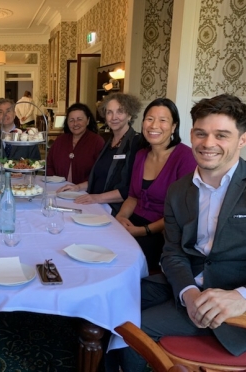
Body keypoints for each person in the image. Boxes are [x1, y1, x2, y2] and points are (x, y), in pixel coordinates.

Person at [112, 94, 246, 371]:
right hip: (188, 284)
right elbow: (173, 251)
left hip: (231, 306)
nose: (208, 143)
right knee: (113, 299)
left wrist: (241, 297)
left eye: (221, 135)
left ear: (241, 140)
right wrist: (187, 293)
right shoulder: (179, 190)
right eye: (201, 133)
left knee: (132, 328)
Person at [115, 98, 196, 271]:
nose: (154, 125)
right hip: (134, 222)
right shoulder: (142, 154)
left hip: (162, 232)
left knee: (120, 262)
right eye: (150, 119)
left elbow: (180, 213)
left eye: (163, 120)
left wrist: (142, 231)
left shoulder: (186, 157)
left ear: (174, 126)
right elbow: (133, 196)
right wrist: (120, 218)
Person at [58, 93, 142, 215]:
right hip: (97, 204)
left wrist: (96, 198)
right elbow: (99, 178)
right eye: (109, 112)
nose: (114, 117)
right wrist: (77, 187)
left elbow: (131, 189)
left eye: (120, 111)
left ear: (129, 115)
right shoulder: (109, 143)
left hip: (118, 211)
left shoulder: (137, 143)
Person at [47, 103, 104, 184]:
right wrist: (55, 183)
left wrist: (82, 186)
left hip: (86, 192)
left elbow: (100, 170)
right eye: (71, 120)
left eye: (79, 119)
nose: (75, 123)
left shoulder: (97, 141)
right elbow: (49, 164)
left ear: (88, 121)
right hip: (58, 189)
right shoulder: (60, 140)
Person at [0, 98, 41, 171]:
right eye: (0, 112)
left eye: (8, 111)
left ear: (14, 114)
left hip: (23, 181)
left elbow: (36, 164)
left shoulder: (29, 137)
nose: (5, 115)